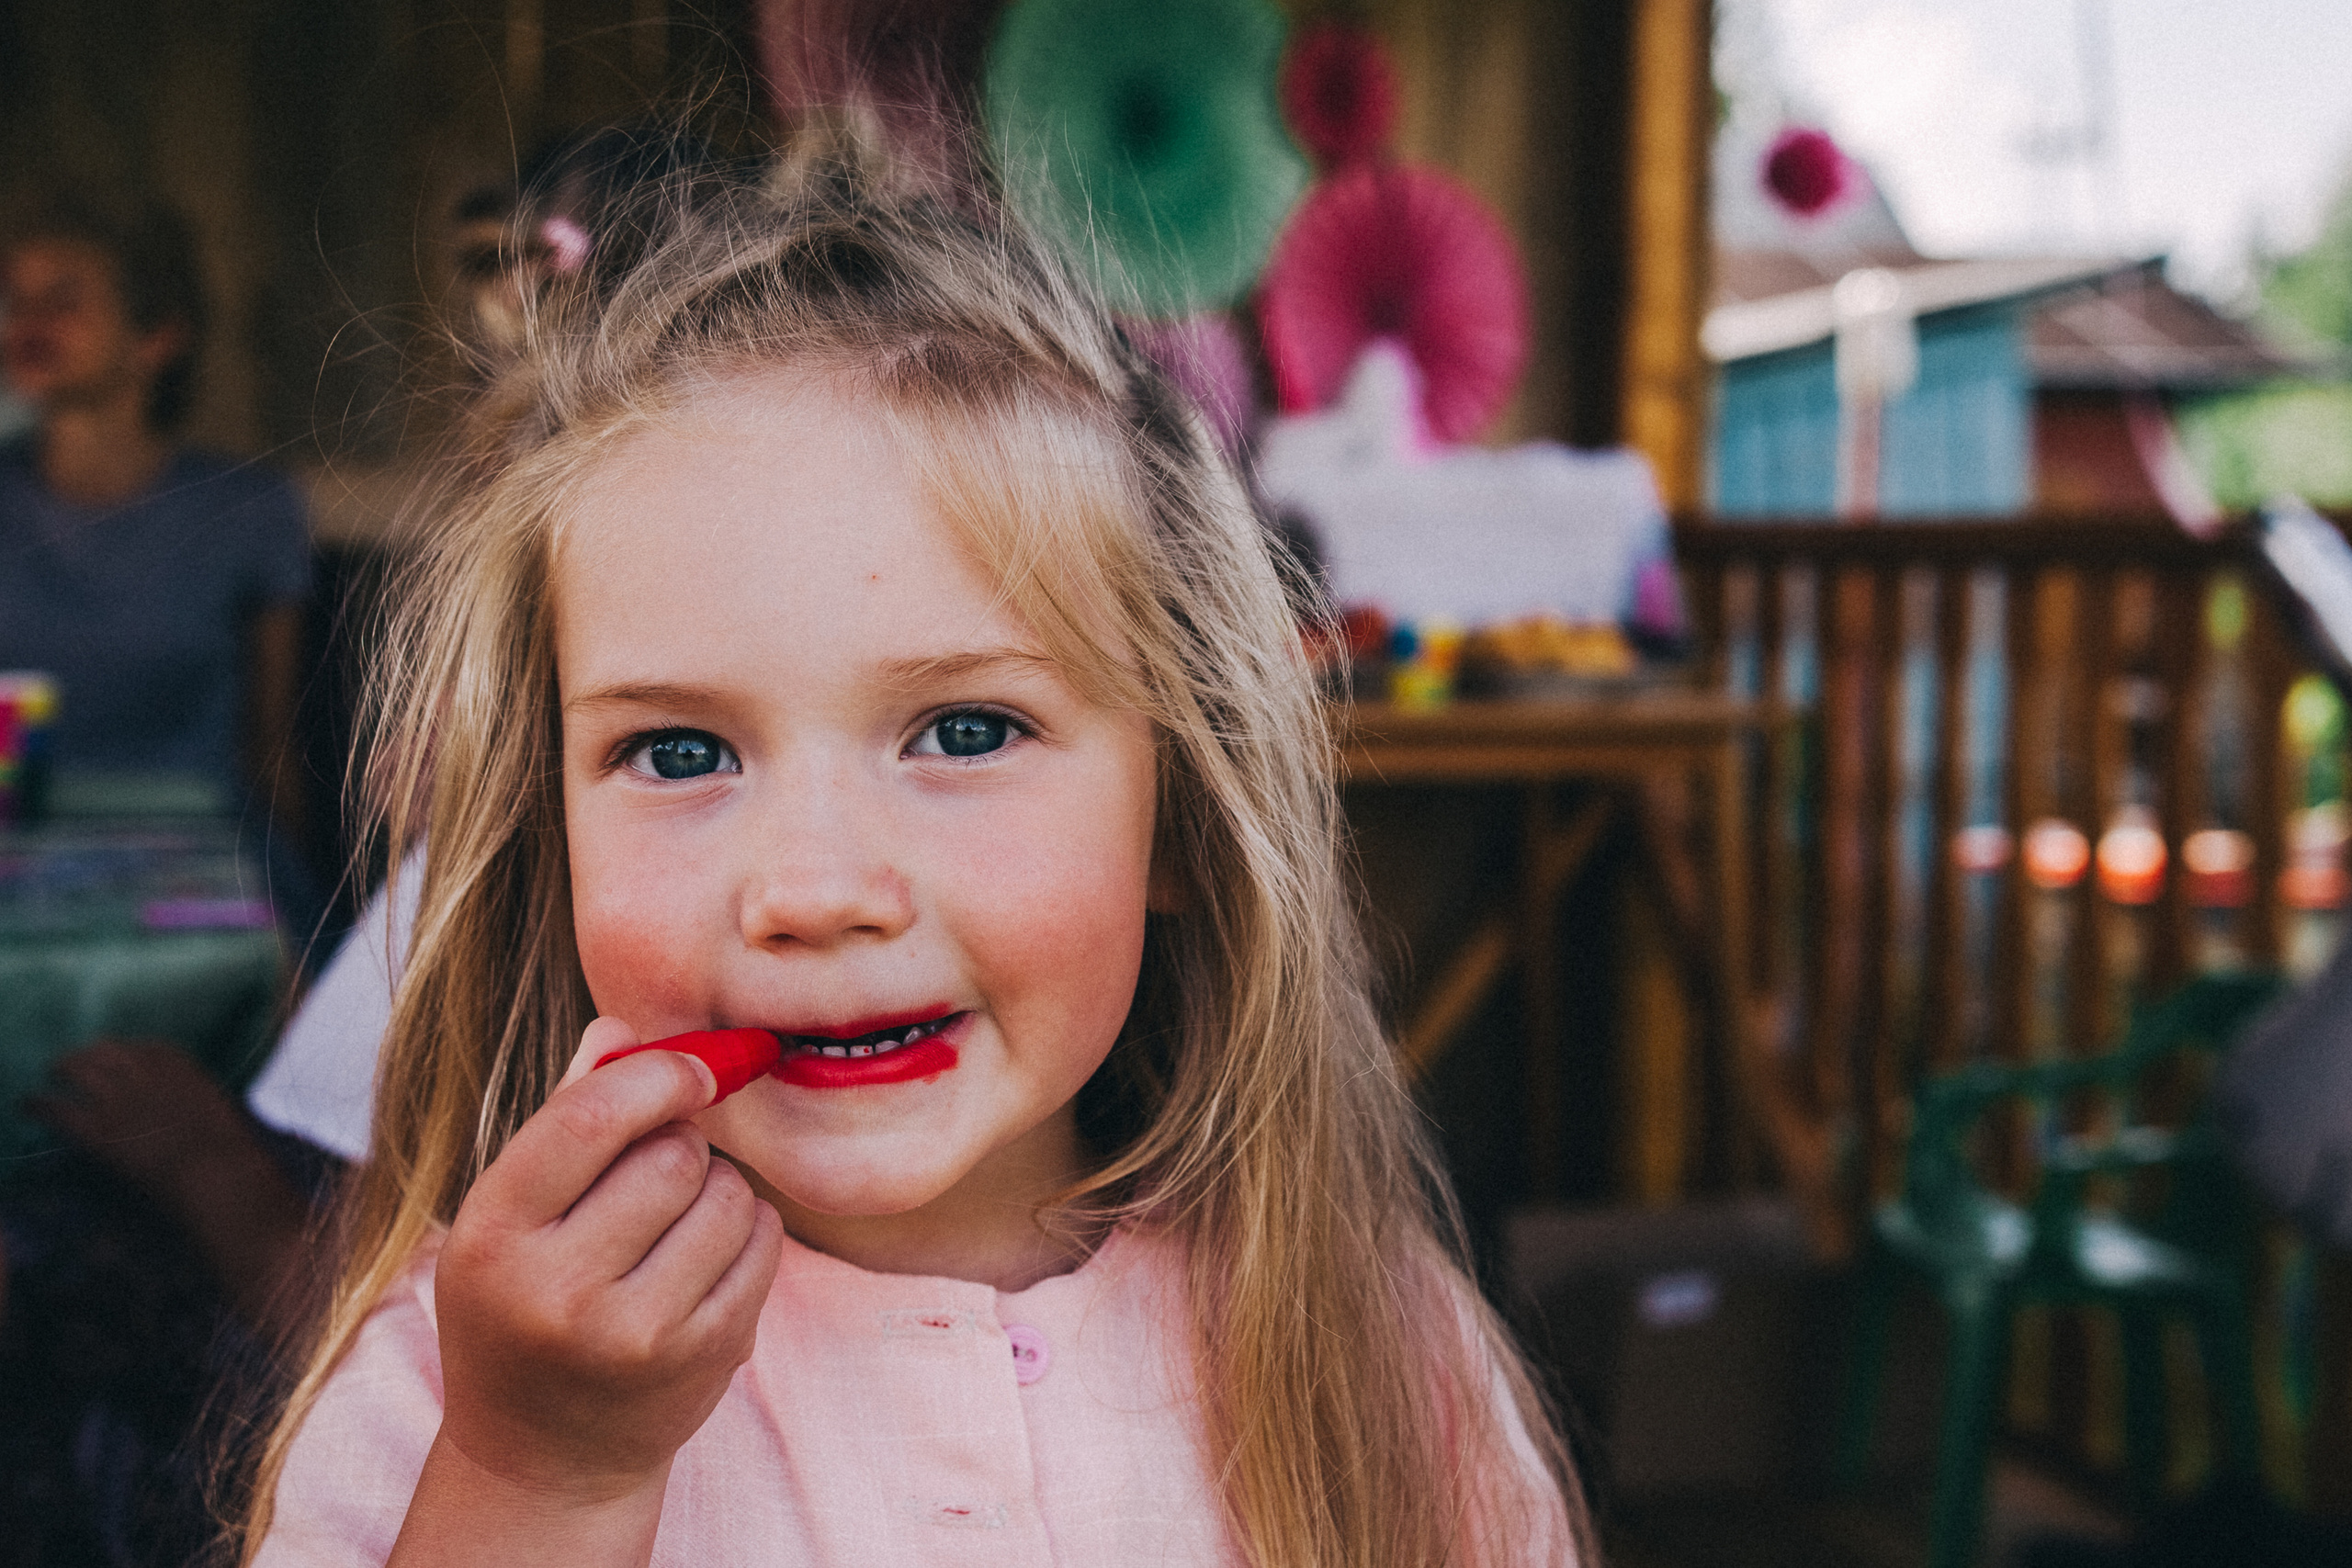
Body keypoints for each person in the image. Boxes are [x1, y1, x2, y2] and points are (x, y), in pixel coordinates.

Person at [237, 134, 1589, 1568]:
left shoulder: (1381, 1351)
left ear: (1182, 815)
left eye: (963, 730)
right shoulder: (466, 1390)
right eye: (681, 753)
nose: (814, 892)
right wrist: (545, 1481)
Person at [0, 192, 311, 839]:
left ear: (157, 334)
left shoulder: (249, 511)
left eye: (63, 301)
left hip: (201, 860)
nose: (28, 324)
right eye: (15, 301)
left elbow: (271, 751)